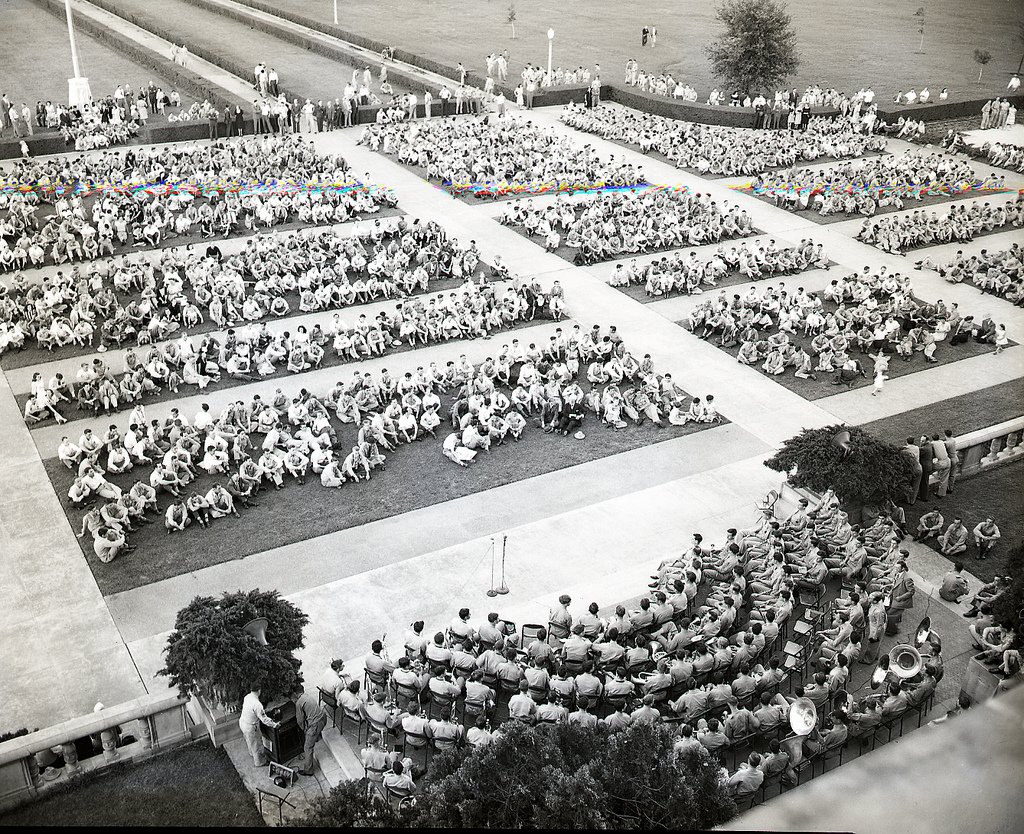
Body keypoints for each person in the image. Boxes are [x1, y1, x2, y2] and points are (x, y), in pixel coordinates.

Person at [238, 687, 280, 767]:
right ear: (259, 690)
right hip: (251, 726)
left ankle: (251, 753)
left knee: (249, 741)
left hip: (243, 722)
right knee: (256, 744)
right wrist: (275, 725)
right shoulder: (257, 704)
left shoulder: (247, 697)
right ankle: (259, 762)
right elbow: (264, 719)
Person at [292, 685, 328, 776]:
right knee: (313, 732)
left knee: (307, 747)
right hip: (323, 718)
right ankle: (316, 737)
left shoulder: (299, 702)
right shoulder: (308, 696)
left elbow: (300, 720)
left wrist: (304, 729)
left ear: (295, 693)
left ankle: (308, 770)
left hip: (315, 725)